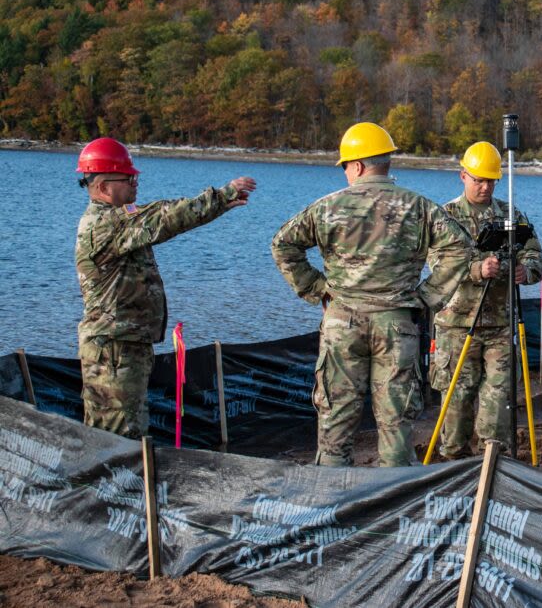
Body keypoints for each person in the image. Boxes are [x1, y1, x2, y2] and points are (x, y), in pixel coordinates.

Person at [271, 122, 476, 467]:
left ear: (358, 166)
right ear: (386, 163)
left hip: (342, 324)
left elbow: (283, 245)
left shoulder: (327, 207)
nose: (346, 173)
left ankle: (332, 507)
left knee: (335, 424)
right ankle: (394, 509)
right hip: (396, 326)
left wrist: (317, 288)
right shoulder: (417, 207)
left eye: (346, 167)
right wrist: (427, 296)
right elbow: (461, 246)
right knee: (396, 428)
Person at [75, 137, 256, 439]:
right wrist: (222, 196)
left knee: (123, 432)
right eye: (128, 177)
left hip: (122, 345)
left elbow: (159, 218)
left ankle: (125, 484)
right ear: (104, 187)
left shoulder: (118, 223)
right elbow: (166, 217)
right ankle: (119, 486)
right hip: (114, 350)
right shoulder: (107, 225)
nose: (135, 182)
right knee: (117, 438)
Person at [429, 141, 542, 459]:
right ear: (463, 176)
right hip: (456, 325)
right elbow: (437, 264)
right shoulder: (446, 217)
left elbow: (533, 252)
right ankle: (452, 462)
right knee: (457, 400)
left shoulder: (509, 216)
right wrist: (476, 269)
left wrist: (527, 270)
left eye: (490, 181)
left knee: (498, 400)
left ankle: (491, 462)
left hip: (500, 325)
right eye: (478, 179)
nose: (485, 186)